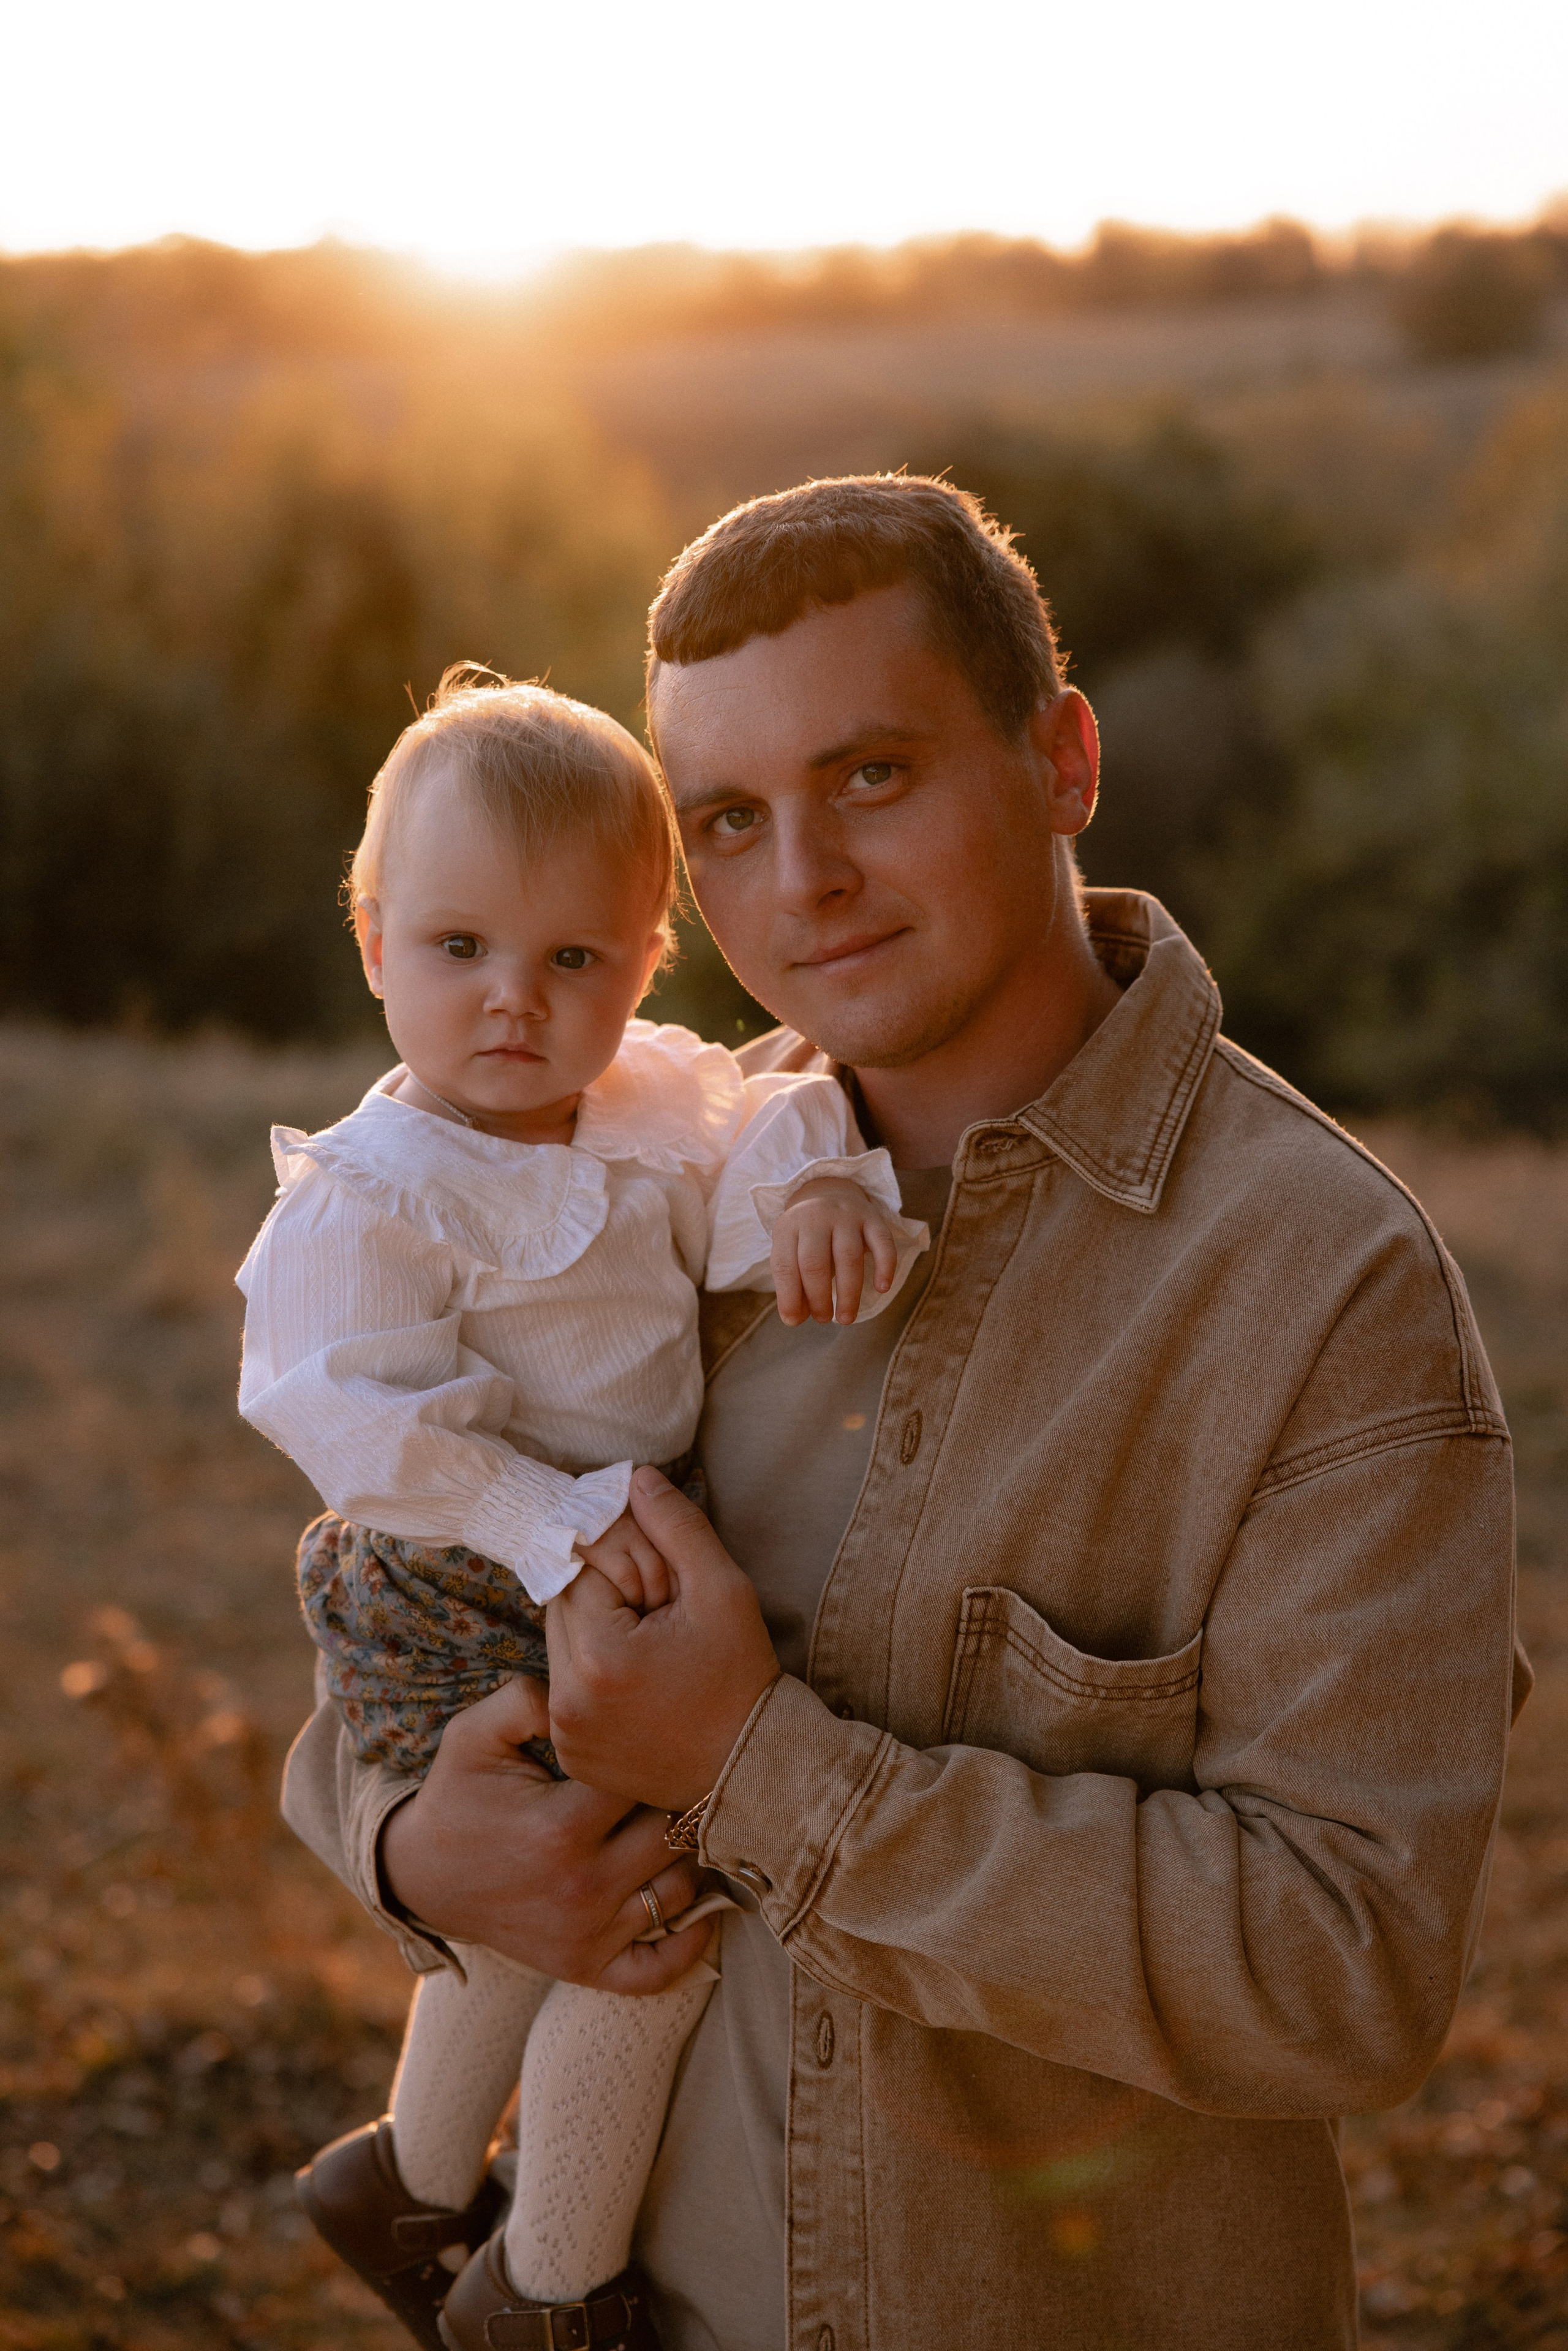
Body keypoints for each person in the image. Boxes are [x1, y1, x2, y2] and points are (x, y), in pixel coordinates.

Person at [283, 478, 1525, 2351]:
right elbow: (394, 1608)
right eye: (728, 822)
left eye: (872, 776)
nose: (806, 880)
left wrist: (758, 1767)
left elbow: (1343, 1974)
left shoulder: (1321, 1290)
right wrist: (409, 1841)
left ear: (1063, 761)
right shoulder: (637, 1176)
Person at [241, 666, 923, 2351]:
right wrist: (542, 1522)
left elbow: (766, 1118)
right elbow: (344, 1415)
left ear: (645, 963)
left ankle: (402, 2182)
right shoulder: (374, 1189)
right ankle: (548, 2294)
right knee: (645, 1924)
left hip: (595, 1552)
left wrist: (825, 1182)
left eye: (575, 961)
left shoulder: (646, 1106)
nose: (514, 1006)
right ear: (373, 939)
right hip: (465, 1565)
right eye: (460, 949)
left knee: (543, 1912)